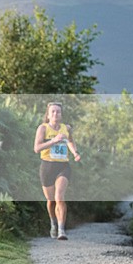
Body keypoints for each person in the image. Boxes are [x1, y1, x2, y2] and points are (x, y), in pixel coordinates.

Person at [33, 102, 81, 240]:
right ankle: (53, 223)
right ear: (48, 115)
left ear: (61, 114)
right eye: (53, 112)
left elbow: (70, 142)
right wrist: (53, 141)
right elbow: (37, 148)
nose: (55, 114)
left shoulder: (66, 129)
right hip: (47, 166)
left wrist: (75, 153)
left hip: (63, 166)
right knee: (51, 200)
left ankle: (61, 230)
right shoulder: (43, 128)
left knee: (59, 197)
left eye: (58, 112)